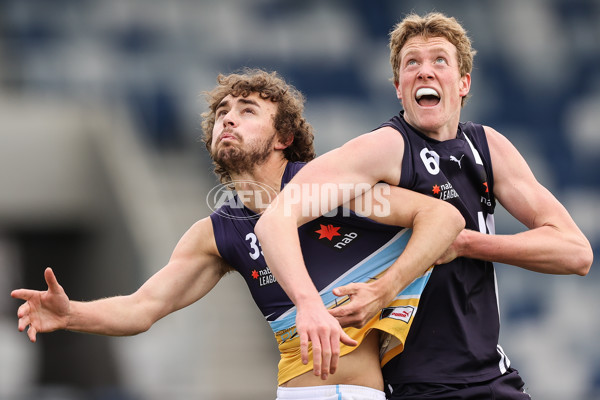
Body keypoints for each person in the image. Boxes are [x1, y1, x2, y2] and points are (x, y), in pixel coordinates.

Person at [11, 69, 464, 400]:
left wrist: (383, 288)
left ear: (284, 136)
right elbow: (143, 307)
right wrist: (72, 315)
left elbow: (444, 218)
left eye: (247, 112)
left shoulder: (333, 189)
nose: (228, 119)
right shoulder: (215, 233)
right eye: (222, 113)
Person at [254, 12, 594, 400]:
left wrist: (465, 243)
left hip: (492, 377)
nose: (424, 71)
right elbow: (276, 217)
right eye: (411, 63)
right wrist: (308, 306)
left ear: (463, 83)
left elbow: (575, 253)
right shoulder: (384, 148)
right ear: (398, 87)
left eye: (439, 61)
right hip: (415, 383)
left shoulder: (487, 147)